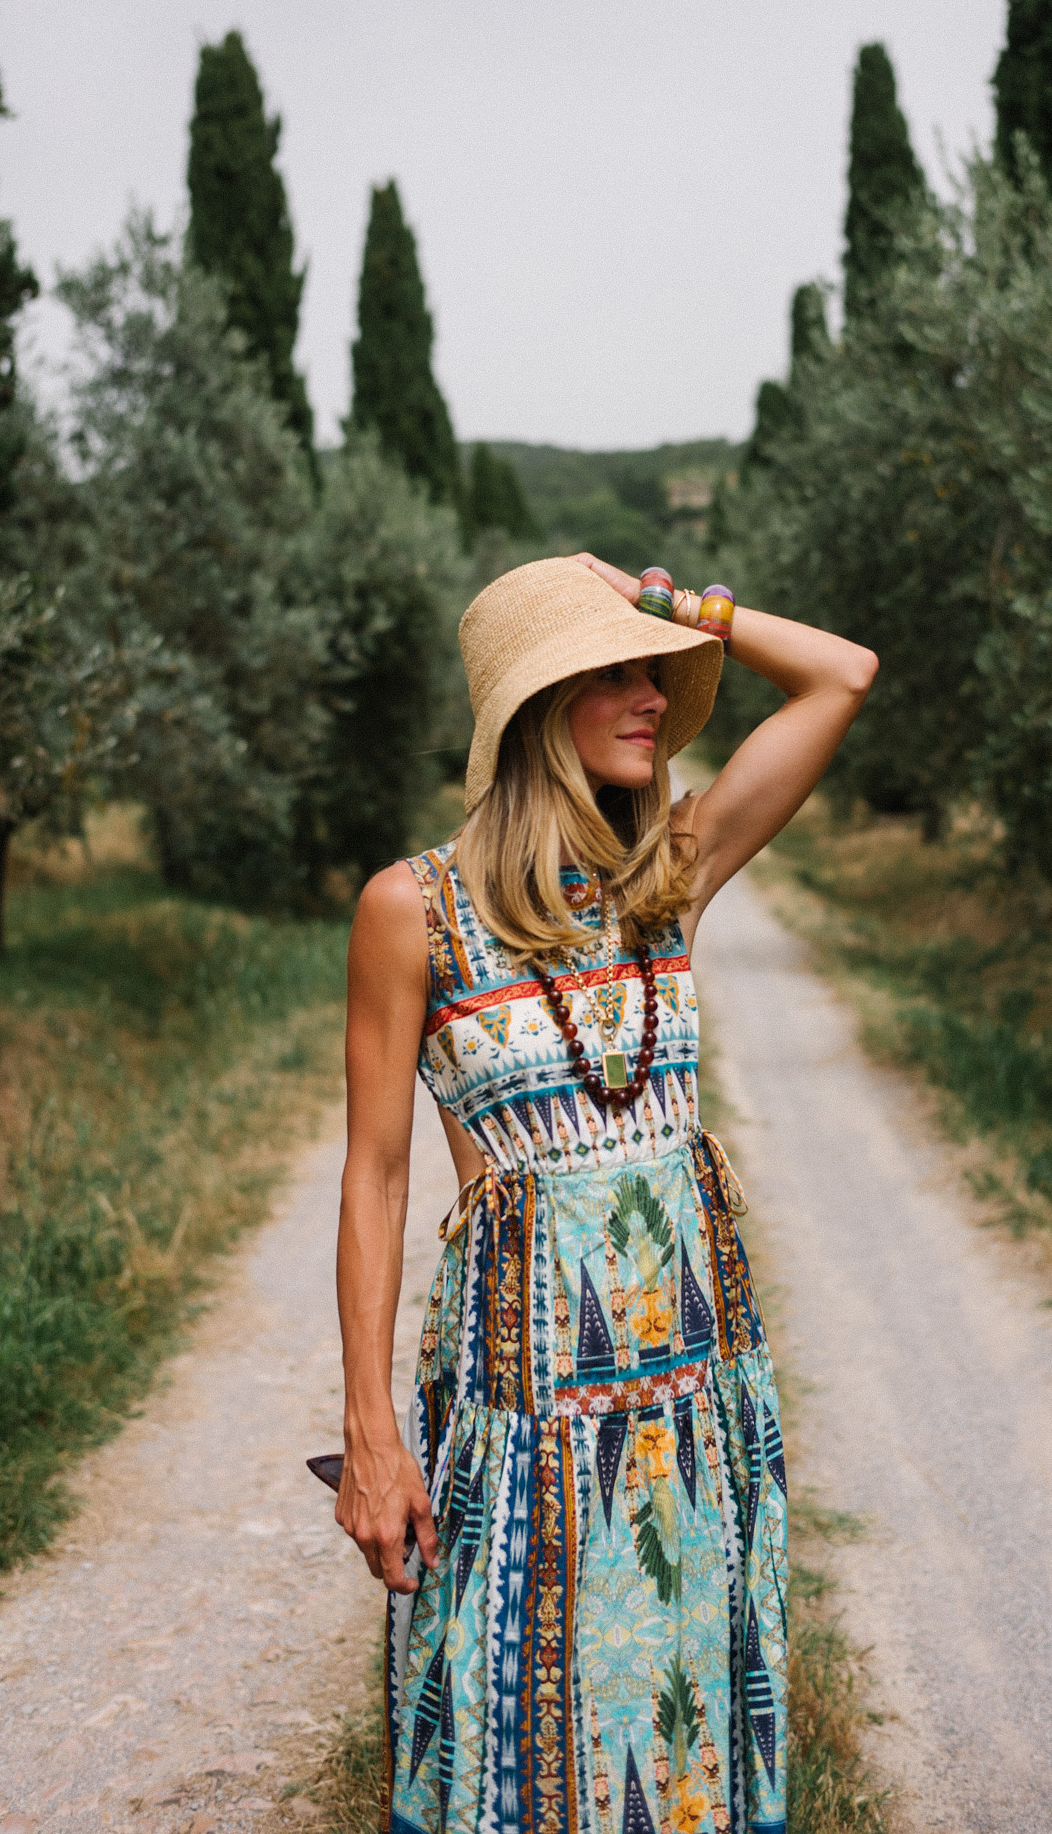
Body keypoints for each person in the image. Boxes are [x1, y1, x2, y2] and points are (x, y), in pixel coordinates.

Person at [336, 553, 876, 1834]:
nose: (653, 699)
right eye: (618, 675)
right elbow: (373, 1175)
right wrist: (369, 1435)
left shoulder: (665, 879)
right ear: (539, 710)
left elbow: (838, 676)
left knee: (681, 1720)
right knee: (506, 1730)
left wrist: (684, 612)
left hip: (695, 1393)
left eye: (655, 677)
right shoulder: (411, 913)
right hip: (523, 1408)